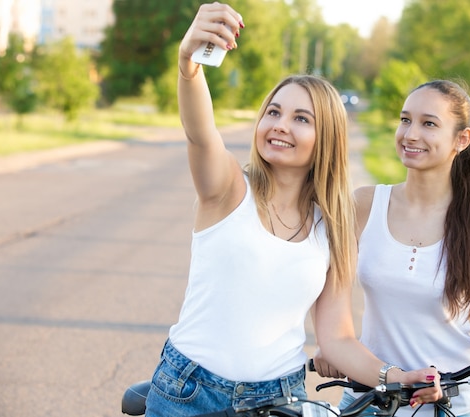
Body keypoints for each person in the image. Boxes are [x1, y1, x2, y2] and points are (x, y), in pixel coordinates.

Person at [144, 3, 441, 416]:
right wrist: (188, 66)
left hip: (281, 399)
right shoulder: (229, 189)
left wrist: (395, 376)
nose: (280, 125)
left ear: (327, 139)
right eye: (273, 112)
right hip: (190, 392)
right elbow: (200, 134)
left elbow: (337, 338)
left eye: (301, 118)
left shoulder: (333, 228)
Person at [315, 79, 470, 416]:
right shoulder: (365, 204)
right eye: (405, 119)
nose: (410, 134)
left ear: (462, 139)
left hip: (454, 404)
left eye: (428, 124)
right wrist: (333, 345)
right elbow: (327, 293)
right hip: (371, 396)